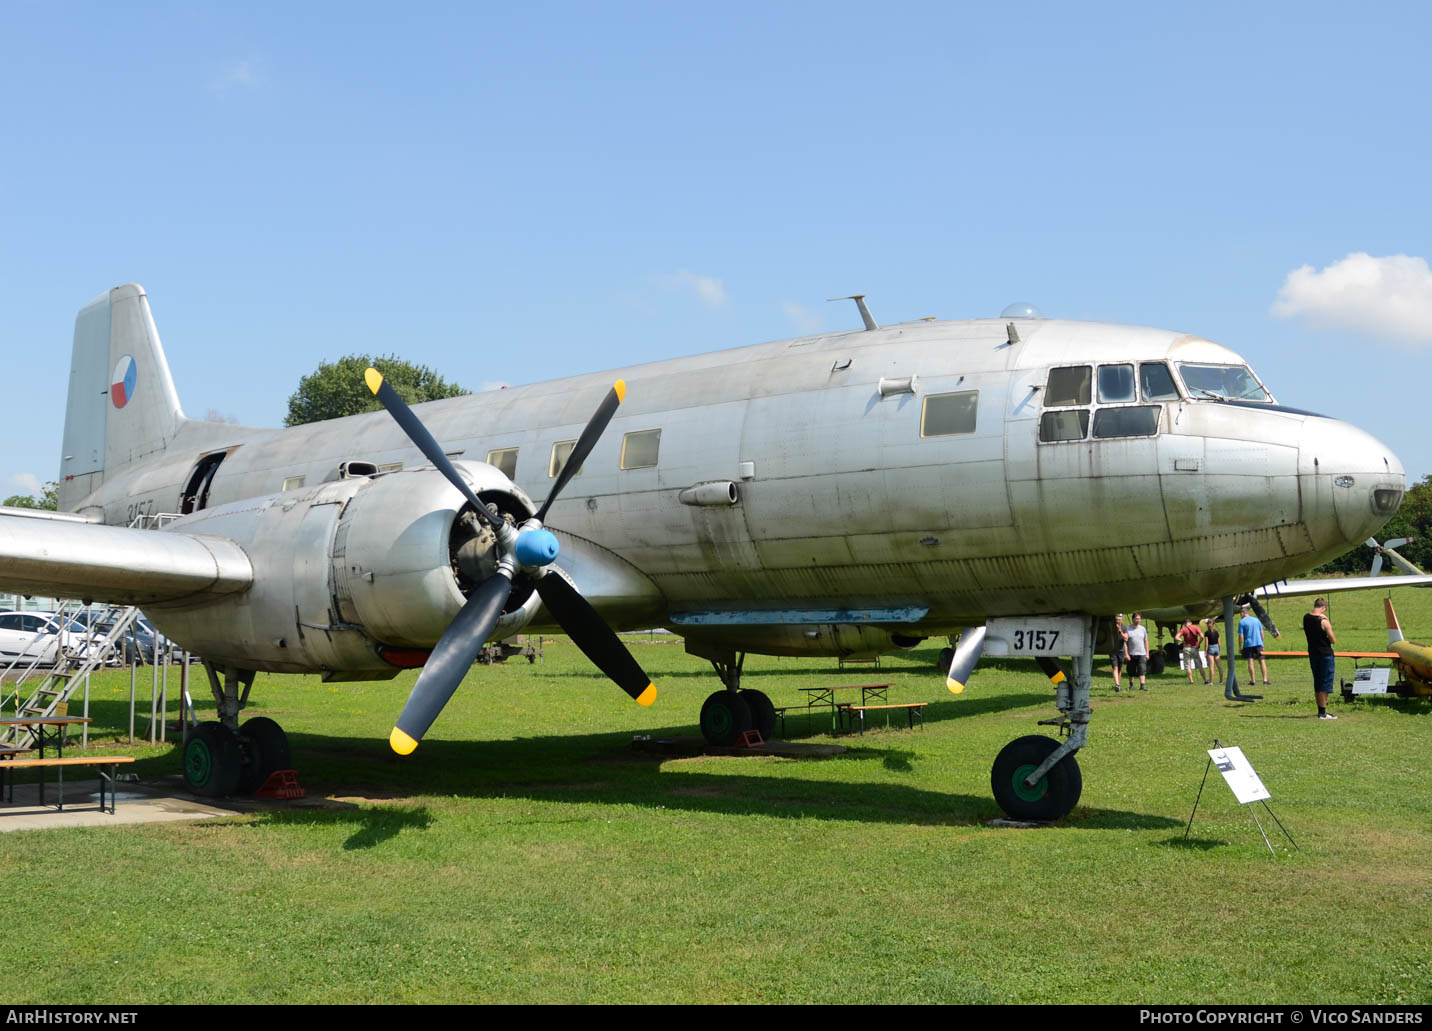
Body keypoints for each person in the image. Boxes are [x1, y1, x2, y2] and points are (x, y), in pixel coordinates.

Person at [1303, 597, 1338, 719]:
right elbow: (1333, 640)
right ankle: (1323, 713)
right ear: (1323, 608)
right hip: (1325, 654)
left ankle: (1320, 710)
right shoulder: (1323, 622)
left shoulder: (1306, 618)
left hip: (1313, 653)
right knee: (1325, 682)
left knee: (1317, 681)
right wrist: (1327, 621)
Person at [1239, 605, 1270, 685]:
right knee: (1262, 661)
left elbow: (1241, 636)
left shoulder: (1242, 622)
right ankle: (1265, 680)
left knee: (1250, 662)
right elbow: (1262, 632)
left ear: (1243, 613)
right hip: (1258, 643)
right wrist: (1262, 643)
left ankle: (1253, 680)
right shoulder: (1256, 620)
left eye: (1240, 614)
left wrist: (1240, 646)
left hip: (1248, 644)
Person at [1177, 617, 1210, 685]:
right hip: (1195, 648)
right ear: (1190, 622)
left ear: (1185, 624)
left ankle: (1191, 681)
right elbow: (1202, 636)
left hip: (1186, 648)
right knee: (1200, 665)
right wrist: (1199, 643)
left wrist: (1182, 640)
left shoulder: (1184, 629)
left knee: (1187, 666)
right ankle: (1205, 680)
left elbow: (1176, 637)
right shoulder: (1196, 627)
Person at [1126, 612, 1149, 691]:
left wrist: (1147, 653)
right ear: (1132, 619)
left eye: (1139, 619)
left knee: (1142, 670)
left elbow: (1146, 641)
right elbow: (1125, 643)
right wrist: (1126, 654)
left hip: (1142, 653)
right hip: (1131, 653)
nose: (1138, 620)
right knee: (1131, 671)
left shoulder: (1143, 629)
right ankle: (1131, 685)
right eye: (1136, 619)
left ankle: (1142, 686)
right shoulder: (1128, 629)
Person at [1109, 613, 1130, 691]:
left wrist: (1120, 631)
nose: (1118, 621)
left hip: (1121, 650)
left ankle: (1118, 685)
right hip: (1112, 650)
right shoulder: (1111, 626)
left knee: (1120, 669)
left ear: (1122, 619)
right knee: (1115, 667)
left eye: (1119, 619)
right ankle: (1117, 685)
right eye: (1116, 619)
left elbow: (1126, 638)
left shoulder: (1124, 627)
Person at [1204, 618, 1223, 685]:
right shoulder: (1217, 632)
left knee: (1212, 666)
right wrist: (1219, 650)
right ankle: (1221, 681)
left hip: (1210, 648)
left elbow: (1206, 644)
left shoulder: (1207, 633)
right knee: (1219, 666)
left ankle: (1211, 682)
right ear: (1214, 624)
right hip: (1216, 648)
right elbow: (1219, 643)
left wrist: (1205, 652)